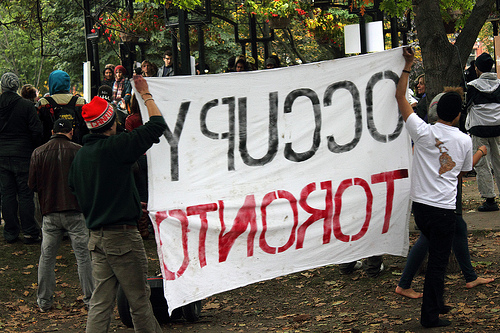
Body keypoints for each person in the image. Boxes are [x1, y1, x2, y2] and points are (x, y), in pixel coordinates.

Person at [68, 75, 166, 332]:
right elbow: (157, 125)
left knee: (100, 301)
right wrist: (145, 94)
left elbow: (78, 191)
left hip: (96, 238)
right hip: (122, 239)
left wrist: (127, 201)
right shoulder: (116, 147)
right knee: (139, 301)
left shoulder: (81, 157)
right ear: (111, 123)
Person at [395, 47, 480, 328]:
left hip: (420, 207)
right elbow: (465, 170)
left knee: (434, 253)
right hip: (444, 209)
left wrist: (407, 66)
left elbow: (399, 98)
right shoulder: (464, 141)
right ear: (458, 116)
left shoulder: (423, 131)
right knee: (438, 265)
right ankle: (429, 317)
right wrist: (480, 153)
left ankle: (437, 302)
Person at [28, 118, 94, 312]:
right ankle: (90, 300)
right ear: (71, 132)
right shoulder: (79, 150)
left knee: (47, 257)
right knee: (83, 257)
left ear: (52, 131)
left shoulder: (38, 152)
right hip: (75, 210)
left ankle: (44, 301)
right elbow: (87, 180)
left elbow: (31, 185)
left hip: (50, 212)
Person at [0, 72, 42, 244]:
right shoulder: (26, 106)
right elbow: (37, 131)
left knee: (7, 194)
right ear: (16, 87)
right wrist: (32, 148)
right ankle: (30, 232)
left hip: (2, 155)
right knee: (25, 194)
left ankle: (10, 232)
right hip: (23, 155)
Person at [465, 52, 500, 212]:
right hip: (499, 128)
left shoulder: (472, 86)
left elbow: (468, 107)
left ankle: (490, 200)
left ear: (477, 68)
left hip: (478, 128)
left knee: (481, 164)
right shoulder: (499, 84)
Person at [37, 70, 87, 144]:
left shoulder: (43, 103)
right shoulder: (80, 102)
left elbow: (36, 128)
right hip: (76, 147)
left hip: (49, 147)